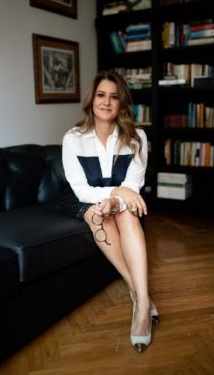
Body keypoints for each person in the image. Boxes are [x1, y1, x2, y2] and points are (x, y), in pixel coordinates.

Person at [61, 69, 158, 352]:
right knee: (96, 215)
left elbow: (133, 186)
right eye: (101, 95)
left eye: (114, 97)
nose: (106, 102)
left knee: (128, 214)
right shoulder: (73, 138)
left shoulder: (137, 137)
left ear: (121, 102)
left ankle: (141, 307)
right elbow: (81, 190)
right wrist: (115, 194)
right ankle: (140, 295)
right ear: (92, 100)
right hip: (82, 199)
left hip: (123, 200)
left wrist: (117, 200)